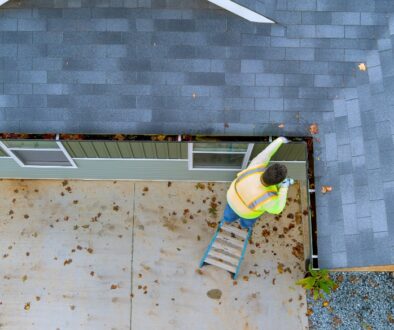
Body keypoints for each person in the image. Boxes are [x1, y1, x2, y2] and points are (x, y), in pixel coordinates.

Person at [224, 137, 294, 229]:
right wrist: (284, 187)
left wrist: (279, 140)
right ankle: (244, 226)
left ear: (267, 169)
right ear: (277, 183)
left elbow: (266, 154)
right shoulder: (269, 198)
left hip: (232, 199)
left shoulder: (256, 167)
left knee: (229, 214)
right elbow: (278, 209)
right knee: (247, 221)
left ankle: (227, 220)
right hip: (247, 214)